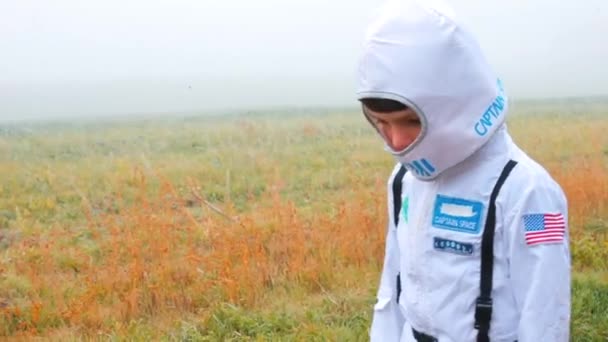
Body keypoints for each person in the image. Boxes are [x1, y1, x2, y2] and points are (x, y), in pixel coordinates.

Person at [355, 1, 571, 341]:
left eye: (410, 122)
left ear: (457, 105)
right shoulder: (404, 180)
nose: (396, 142)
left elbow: (545, 313)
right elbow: (393, 283)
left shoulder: (528, 190)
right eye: (381, 123)